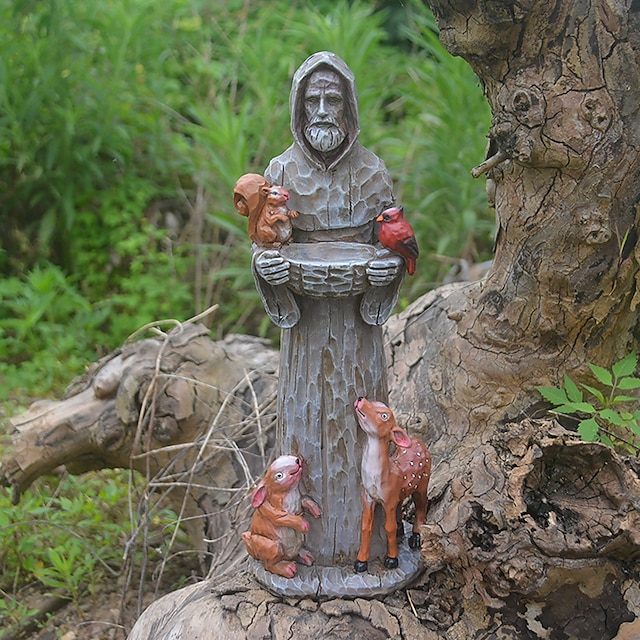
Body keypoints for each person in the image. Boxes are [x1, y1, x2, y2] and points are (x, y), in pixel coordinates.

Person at [253, 51, 404, 564]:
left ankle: (376, 545)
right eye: (312, 99)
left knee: (361, 426)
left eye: (332, 99)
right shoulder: (280, 169)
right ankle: (298, 545)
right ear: (298, 107)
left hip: (358, 335)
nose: (321, 109)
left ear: (349, 107)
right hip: (306, 333)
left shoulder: (371, 171)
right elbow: (265, 244)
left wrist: (386, 275)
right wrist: (268, 270)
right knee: (305, 436)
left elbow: (390, 245)